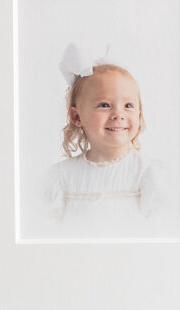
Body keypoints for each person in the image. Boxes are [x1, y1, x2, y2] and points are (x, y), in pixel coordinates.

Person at [45, 43, 162, 227]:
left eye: (128, 106)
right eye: (105, 105)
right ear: (76, 116)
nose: (119, 114)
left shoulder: (148, 173)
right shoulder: (61, 177)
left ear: (139, 117)